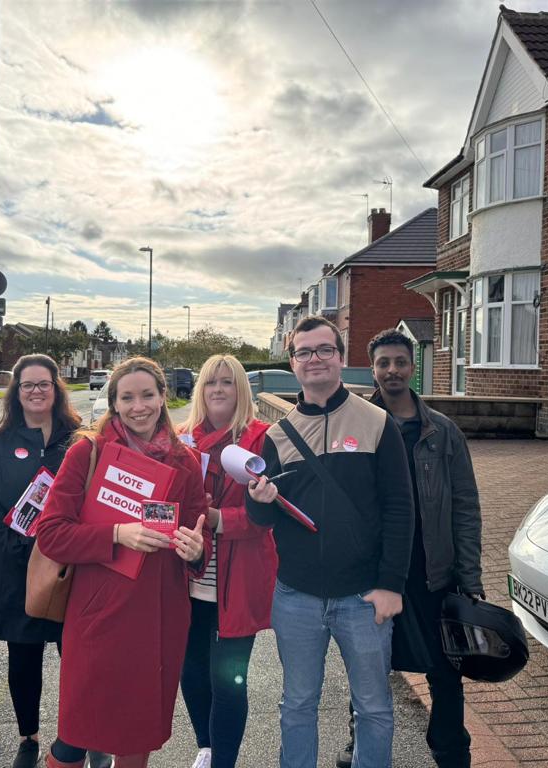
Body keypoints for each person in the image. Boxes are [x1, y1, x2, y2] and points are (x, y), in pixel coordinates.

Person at [245, 316, 414, 768]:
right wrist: (257, 499)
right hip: (296, 595)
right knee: (297, 705)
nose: (314, 359)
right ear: (293, 363)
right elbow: (263, 518)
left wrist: (390, 584)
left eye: (323, 350)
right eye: (304, 352)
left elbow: (401, 508)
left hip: (363, 595)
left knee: (374, 707)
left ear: (340, 358)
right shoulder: (276, 436)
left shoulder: (377, 423)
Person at [35, 356, 211, 768]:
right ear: (113, 403)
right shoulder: (88, 453)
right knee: (79, 728)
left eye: (147, 395)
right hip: (99, 611)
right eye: (127, 397)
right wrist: (117, 534)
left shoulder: (184, 462)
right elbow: (51, 533)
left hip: (159, 614)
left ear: (163, 397)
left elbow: (194, 536)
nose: (139, 407)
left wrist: (195, 549)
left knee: (139, 729)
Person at [335, 329, 483, 768]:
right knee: (368, 666)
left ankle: (452, 750)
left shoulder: (443, 432)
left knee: (444, 669)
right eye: (384, 363)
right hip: (375, 570)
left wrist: (470, 579)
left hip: (432, 570)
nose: (392, 371)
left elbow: (465, 506)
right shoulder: (355, 425)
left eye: (400, 362)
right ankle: (358, 743)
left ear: (412, 367)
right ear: (373, 368)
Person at [0, 354, 80, 768]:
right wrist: (12, 545)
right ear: (16, 391)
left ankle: (84, 733)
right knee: (25, 655)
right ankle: (29, 737)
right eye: (27, 384)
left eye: (44, 384)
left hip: (71, 565)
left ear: (56, 388)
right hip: (16, 566)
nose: (36, 391)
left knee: (78, 656)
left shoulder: (79, 439)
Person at [178, 354, 277, 768]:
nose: (218, 389)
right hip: (187, 580)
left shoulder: (261, 438)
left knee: (229, 680)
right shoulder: (182, 439)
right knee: (192, 672)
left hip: (237, 580)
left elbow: (266, 517)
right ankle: (207, 745)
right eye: (210, 382)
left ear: (242, 389)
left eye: (227, 382)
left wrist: (218, 519)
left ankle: (224, 762)